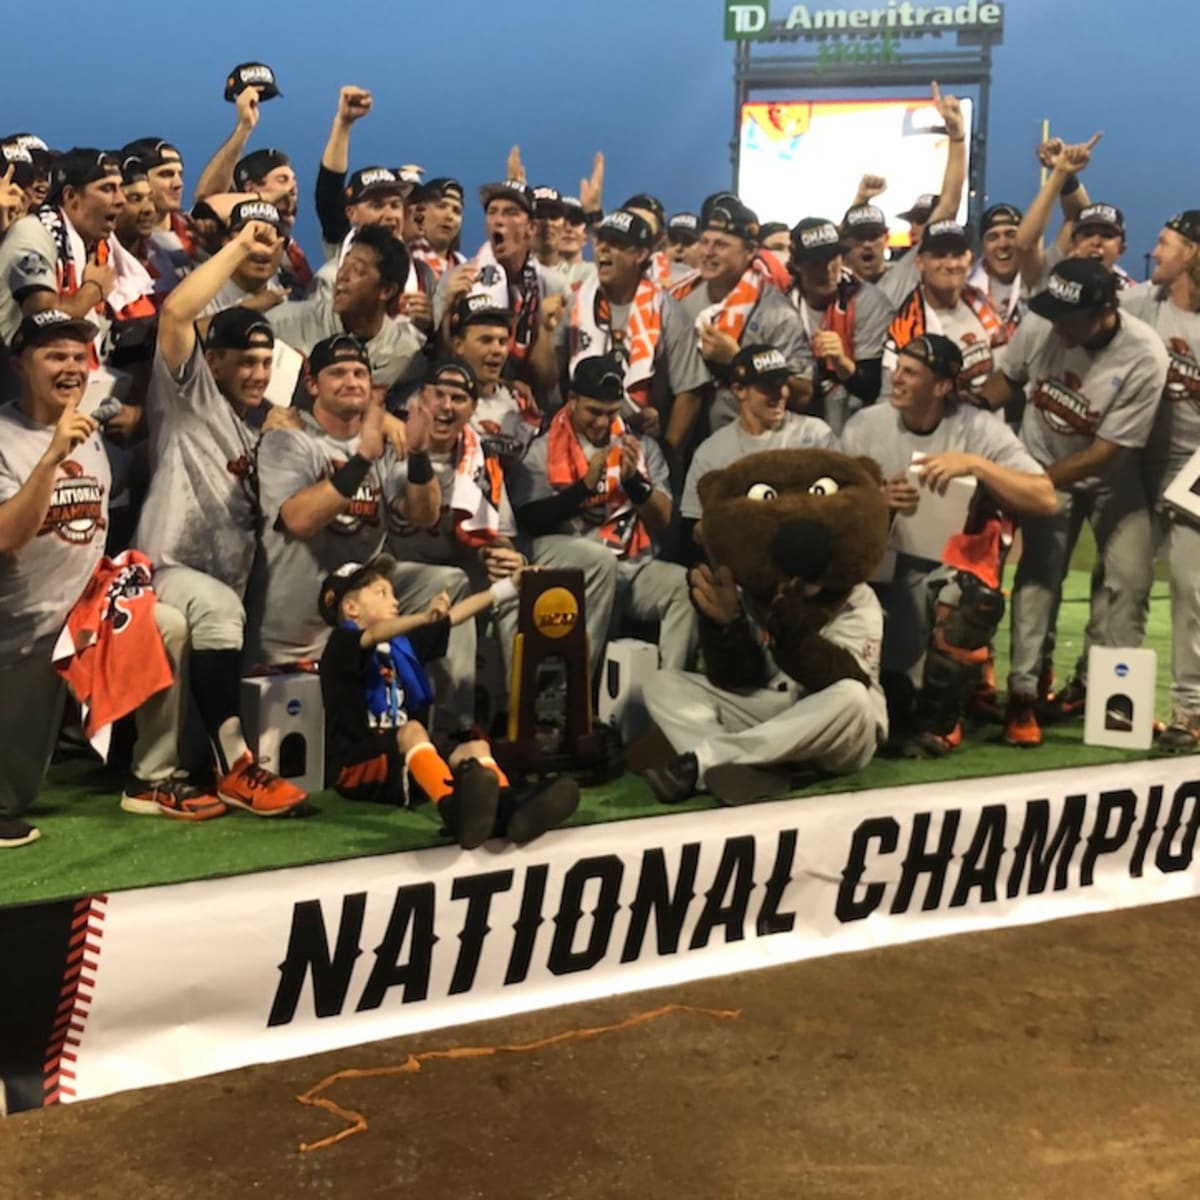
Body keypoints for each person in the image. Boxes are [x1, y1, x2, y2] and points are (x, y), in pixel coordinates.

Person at [0, 311, 202, 848]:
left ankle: (150, 779)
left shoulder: (88, 429)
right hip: (18, 627)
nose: (70, 368)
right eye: (53, 356)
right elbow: (6, 536)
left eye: (77, 357)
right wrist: (51, 456)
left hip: (84, 615)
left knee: (166, 625)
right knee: (8, 799)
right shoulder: (5, 436)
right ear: (21, 364)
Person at [131, 215, 310, 816]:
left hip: (224, 596)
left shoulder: (268, 428)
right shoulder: (187, 395)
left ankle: (209, 766)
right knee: (217, 609)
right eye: (246, 362)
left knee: (190, 729)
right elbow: (176, 315)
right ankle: (239, 767)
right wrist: (239, 247)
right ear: (215, 362)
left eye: (267, 363)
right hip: (166, 569)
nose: (258, 374)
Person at [978, 259, 1168, 747]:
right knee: (1040, 578)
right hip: (1043, 459)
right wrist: (965, 409)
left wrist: (1029, 482)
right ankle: (1023, 694)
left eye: (1069, 316)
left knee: (1129, 580)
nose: (1057, 323)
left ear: (1105, 311)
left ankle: (1106, 692)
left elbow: (1106, 454)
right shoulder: (1045, 320)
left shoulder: (1144, 354)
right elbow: (1006, 382)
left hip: (1110, 478)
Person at [841, 334, 1055, 756]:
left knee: (972, 598)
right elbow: (832, 502)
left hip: (946, 565)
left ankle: (940, 720)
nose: (895, 379)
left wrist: (976, 465)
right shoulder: (865, 425)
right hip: (880, 561)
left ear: (941, 387)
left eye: (909, 372)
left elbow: (1045, 497)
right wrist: (876, 501)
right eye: (896, 368)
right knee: (895, 689)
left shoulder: (977, 428)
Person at [318, 557, 579, 846]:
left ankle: (509, 810)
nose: (394, 601)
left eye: (393, 593)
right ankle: (453, 809)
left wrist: (510, 587)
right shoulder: (340, 646)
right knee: (413, 730)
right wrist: (423, 617)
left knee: (474, 747)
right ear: (351, 608)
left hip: (404, 760)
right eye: (382, 593)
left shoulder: (401, 645)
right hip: (356, 768)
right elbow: (374, 634)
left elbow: (455, 616)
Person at [245, 333, 440, 667]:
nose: (351, 382)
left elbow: (424, 515)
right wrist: (362, 460)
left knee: (445, 582)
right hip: (286, 642)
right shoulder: (288, 439)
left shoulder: (385, 445)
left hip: (355, 636)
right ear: (312, 384)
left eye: (359, 373)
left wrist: (420, 456)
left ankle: (449, 712)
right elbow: (299, 520)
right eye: (338, 373)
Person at [510, 353, 698, 678]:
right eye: (593, 412)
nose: (601, 422)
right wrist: (583, 488)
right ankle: (580, 695)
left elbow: (665, 520)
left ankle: (669, 695)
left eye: (610, 413)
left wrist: (635, 485)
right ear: (571, 400)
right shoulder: (544, 448)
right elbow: (530, 520)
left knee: (684, 588)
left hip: (631, 564)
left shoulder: (638, 446)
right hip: (570, 567)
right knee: (600, 562)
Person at [384, 359, 525, 710]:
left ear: (473, 409)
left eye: (459, 399)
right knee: (454, 582)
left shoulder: (480, 459)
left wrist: (504, 557)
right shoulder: (394, 447)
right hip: (394, 573)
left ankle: (520, 713)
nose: (447, 407)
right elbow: (420, 514)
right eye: (439, 396)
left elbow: (499, 535)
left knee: (519, 584)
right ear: (421, 400)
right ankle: (456, 724)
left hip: (456, 568)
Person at [1121, 211, 1200, 750]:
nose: (1155, 251)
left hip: (1196, 469)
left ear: (1192, 253)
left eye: (1164, 243)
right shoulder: (1141, 305)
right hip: (1139, 464)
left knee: (1192, 588)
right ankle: (1113, 705)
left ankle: (1190, 711)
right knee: (1123, 583)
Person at [562, 209, 709, 451]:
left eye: (616, 243)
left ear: (641, 254)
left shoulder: (667, 309)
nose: (603, 249)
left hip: (644, 444)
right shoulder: (577, 303)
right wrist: (547, 331)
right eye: (601, 241)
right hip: (578, 441)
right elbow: (546, 376)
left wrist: (669, 454)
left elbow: (689, 393)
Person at [679, 344, 836, 562]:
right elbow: (695, 529)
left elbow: (840, 506)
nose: (780, 394)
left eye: (782, 384)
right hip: (743, 566)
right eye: (768, 387)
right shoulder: (712, 452)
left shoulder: (816, 435)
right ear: (739, 390)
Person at [673, 197, 813, 438]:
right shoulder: (681, 303)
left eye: (721, 245)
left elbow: (804, 394)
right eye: (704, 242)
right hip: (694, 448)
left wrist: (738, 360)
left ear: (749, 251)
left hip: (757, 447)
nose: (708, 252)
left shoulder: (776, 313)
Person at [0, 149, 156, 356]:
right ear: (71, 196)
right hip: (17, 382)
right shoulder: (33, 232)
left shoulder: (97, 249)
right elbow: (42, 316)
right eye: (107, 188)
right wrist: (93, 290)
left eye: (119, 188)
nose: (120, 200)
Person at [435, 179, 568, 393]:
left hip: (528, 409)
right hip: (468, 398)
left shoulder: (552, 286)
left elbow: (547, 382)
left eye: (510, 213)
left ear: (531, 227)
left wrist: (544, 330)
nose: (498, 220)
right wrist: (448, 310)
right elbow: (440, 364)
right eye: (492, 212)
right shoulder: (458, 279)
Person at [267, 224, 425, 396]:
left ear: (386, 291)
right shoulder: (283, 324)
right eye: (344, 264)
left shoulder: (407, 358)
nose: (342, 275)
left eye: (357, 270)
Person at [882, 220, 1008, 402]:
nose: (950, 264)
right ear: (919, 263)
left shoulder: (982, 303)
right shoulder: (906, 327)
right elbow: (891, 396)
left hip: (987, 422)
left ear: (969, 259)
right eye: (939, 255)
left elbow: (1008, 371)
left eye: (957, 255)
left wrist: (983, 406)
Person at [788, 217, 891, 433]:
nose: (827, 269)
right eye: (816, 261)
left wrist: (842, 363)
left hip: (857, 427)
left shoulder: (867, 300)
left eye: (833, 258)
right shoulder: (780, 305)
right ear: (797, 264)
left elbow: (872, 388)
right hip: (794, 429)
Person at [449, 295, 540, 461]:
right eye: (486, 340)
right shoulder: (439, 402)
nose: (498, 350)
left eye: (503, 341)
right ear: (458, 346)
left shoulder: (521, 402)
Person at [119, 138, 196, 298]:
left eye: (179, 174)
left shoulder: (194, 232)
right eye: (166, 174)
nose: (178, 183)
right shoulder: (118, 243)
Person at [198, 199, 287, 316]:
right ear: (226, 242)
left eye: (269, 239)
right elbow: (174, 328)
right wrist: (245, 311)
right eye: (252, 236)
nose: (261, 249)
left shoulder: (290, 293)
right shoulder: (200, 291)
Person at [968, 203, 1026, 334]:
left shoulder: (1040, 281)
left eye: (1011, 235)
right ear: (982, 246)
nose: (1003, 244)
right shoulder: (965, 290)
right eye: (993, 237)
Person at [557, 195, 597, 292]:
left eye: (576, 222)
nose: (569, 229)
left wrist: (596, 217)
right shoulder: (535, 275)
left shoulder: (597, 275)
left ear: (587, 234)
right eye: (562, 222)